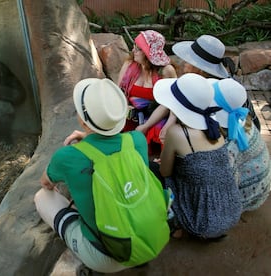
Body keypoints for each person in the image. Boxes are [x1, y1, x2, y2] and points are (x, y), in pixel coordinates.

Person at [34, 78, 168, 273]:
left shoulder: (67, 156)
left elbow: (45, 183)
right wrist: (88, 136)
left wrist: (85, 145)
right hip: (152, 240)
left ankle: (85, 257)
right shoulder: (137, 140)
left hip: (106, 257)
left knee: (41, 197)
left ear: (82, 120)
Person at [153, 73, 242, 239]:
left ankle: (176, 223)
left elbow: (165, 172)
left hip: (200, 222)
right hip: (230, 210)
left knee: (153, 170)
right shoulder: (216, 127)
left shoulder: (177, 132)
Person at [140, 34, 260, 144]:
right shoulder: (201, 82)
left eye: (188, 60)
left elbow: (208, 135)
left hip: (234, 141)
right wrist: (148, 126)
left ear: (200, 69)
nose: (183, 62)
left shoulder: (215, 94)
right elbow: (173, 99)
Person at [210, 78, 271, 212]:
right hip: (262, 185)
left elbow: (227, 180)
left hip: (248, 197)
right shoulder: (242, 121)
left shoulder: (229, 146)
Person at [117, 30, 177, 155]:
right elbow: (119, 92)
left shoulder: (166, 71)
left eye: (138, 49)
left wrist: (146, 125)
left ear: (148, 52)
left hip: (156, 116)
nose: (133, 51)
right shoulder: (129, 65)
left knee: (160, 132)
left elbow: (171, 102)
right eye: (134, 46)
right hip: (130, 115)